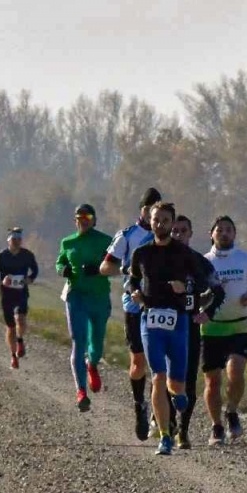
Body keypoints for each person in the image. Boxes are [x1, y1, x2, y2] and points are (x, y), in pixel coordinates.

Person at [126, 203, 201, 456]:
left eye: (165, 220)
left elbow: (203, 283)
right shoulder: (141, 253)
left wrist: (185, 289)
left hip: (178, 322)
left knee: (176, 384)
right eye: (156, 220)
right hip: (150, 320)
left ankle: (179, 397)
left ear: (171, 222)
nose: (160, 224)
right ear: (150, 220)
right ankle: (165, 436)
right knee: (157, 375)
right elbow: (132, 280)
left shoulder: (184, 253)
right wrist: (135, 294)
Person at [201, 216, 247, 445]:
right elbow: (196, 293)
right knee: (212, 382)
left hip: (239, 326)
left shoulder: (246, 259)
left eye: (229, 230)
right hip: (211, 329)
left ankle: (231, 411)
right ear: (211, 234)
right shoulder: (204, 262)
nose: (224, 233)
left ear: (234, 234)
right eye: (219, 230)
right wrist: (206, 298)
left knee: (236, 373)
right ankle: (216, 426)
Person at [102, 188, 164, 441]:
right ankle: (140, 404)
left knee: (159, 363)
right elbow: (105, 267)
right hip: (134, 305)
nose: (152, 214)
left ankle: (158, 411)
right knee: (138, 362)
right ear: (142, 210)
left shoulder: (166, 235)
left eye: (155, 209)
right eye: (148, 209)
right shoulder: (127, 235)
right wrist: (125, 269)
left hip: (161, 305)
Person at [170, 215, 224, 447]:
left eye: (183, 231)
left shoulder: (200, 262)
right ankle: (167, 423)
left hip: (189, 327)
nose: (178, 235)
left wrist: (207, 313)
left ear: (190, 234)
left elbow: (219, 292)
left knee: (189, 379)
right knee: (165, 377)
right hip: (163, 327)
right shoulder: (158, 258)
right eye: (174, 231)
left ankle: (183, 430)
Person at [55, 204, 113, 413]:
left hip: (99, 297)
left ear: (94, 220)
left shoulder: (106, 241)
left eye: (88, 216)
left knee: (96, 341)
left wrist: (98, 270)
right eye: (80, 217)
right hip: (76, 296)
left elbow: (116, 265)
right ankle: (81, 391)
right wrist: (63, 270)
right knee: (78, 340)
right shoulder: (67, 242)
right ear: (75, 221)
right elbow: (59, 262)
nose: (84, 220)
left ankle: (93, 364)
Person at [0, 228, 39, 369]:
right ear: (8, 241)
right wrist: (1, 283)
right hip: (6, 295)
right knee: (11, 326)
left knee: (21, 319)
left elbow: (35, 270)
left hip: (21, 292)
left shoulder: (27, 255)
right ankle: (13, 356)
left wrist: (30, 279)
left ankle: (20, 340)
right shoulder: (1, 256)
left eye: (19, 239)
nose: (17, 242)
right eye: (14, 239)